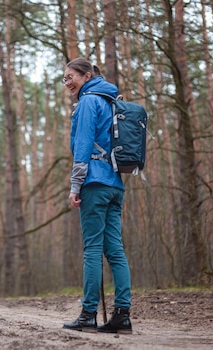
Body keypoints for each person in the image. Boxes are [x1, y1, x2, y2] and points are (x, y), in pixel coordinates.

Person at [61, 57, 133, 334]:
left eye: (71, 77)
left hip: (93, 182)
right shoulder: (110, 100)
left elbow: (82, 146)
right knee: (115, 250)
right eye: (64, 78)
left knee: (92, 248)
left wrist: (75, 185)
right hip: (115, 184)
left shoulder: (89, 102)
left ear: (87, 75)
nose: (68, 83)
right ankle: (122, 316)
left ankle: (89, 313)